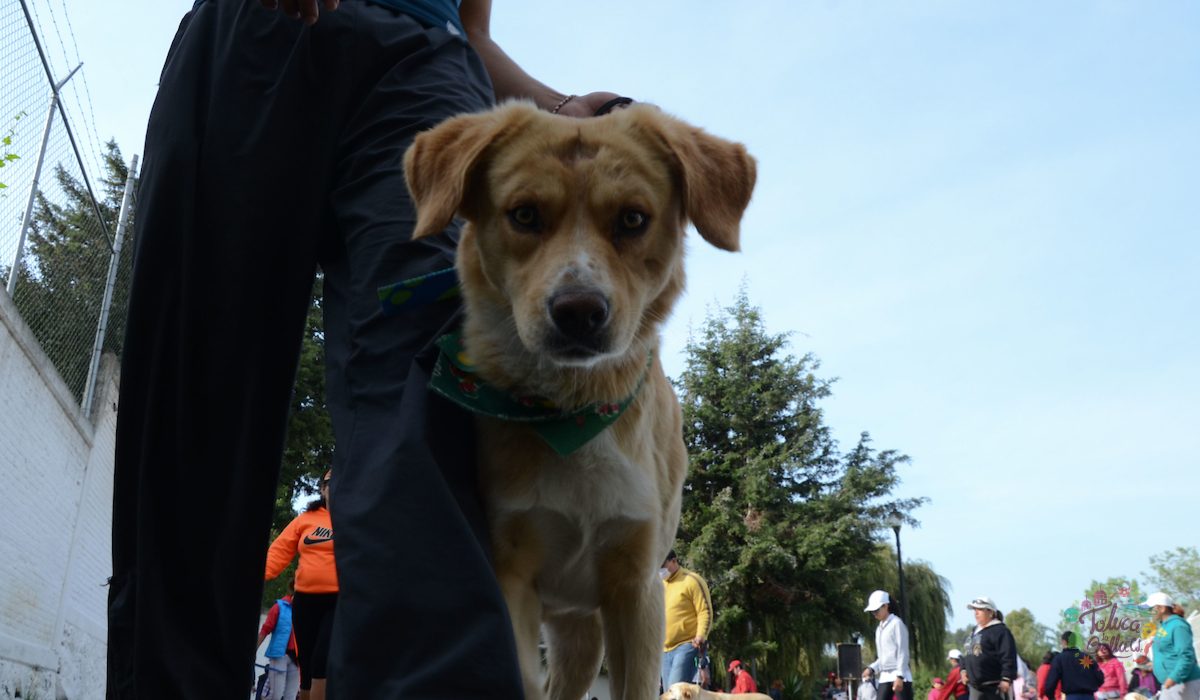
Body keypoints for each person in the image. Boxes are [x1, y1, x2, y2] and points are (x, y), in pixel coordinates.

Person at [106, 0, 626, 695]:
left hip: (422, 68)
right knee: (196, 383)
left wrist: (558, 106)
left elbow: (474, 30)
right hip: (253, 32)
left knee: (430, 378)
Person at [264, 471, 337, 700]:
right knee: (305, 663)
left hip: (338, 600)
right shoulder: (306, 519)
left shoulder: (356, 518)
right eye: (329, 483)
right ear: (322, 489)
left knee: (321, 660)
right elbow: (277, 553)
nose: (334, 488)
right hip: (305, 600)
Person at [661, 550, 714, 690]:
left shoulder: (691, 580)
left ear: (674, 560)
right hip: (663, 649)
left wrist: (701, 636)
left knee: (675, 690)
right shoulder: (659, 585)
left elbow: (705, 611)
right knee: (669, 693)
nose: (660, 570)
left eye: (663, 564)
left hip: (687, 645)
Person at [960, 596, 1018, 700]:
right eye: (975, 609)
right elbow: (968, 653)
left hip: (995, 686)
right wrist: (963, 669)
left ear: (990, 612)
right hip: (975, 687)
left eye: (980, 609)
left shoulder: (1000, 631)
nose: (976, 613)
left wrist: (1006, 678)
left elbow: (1008, 655)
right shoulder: (974, 631)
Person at [1144, 592, 1200, 700]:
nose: (1149, 613)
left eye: (1151, 609)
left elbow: (1186, 656)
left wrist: (1174, 678)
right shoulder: (1164, 627)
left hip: (1184, 682)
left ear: (1161, 609)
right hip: (1170, 683)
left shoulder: (1178, 625)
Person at [256, 576, 301, 700]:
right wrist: (253, 652)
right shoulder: (279, 607)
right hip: (280, 656)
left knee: (290, 697)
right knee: (275, 695)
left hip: (298, 659)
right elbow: (265, 630)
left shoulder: (307, 610)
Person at [865, 590, 914, 700]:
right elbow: (883, 656)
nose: (874, 613)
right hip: (885, 675)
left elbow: (903, 652)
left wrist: (900, 676)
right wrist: (872, 668)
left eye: (876, 610)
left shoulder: (897, 624)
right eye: (872, 611)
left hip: (900, 673)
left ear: (885, 606)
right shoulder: (879, 629)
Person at [1042, 631, 1104, 700]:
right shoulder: (1087, 658)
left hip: (1072, 697)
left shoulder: (1059, 659)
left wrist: (1051, 697)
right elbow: (1100, 678)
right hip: (1089, 696)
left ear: (1063, 642)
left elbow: (1050, 684)